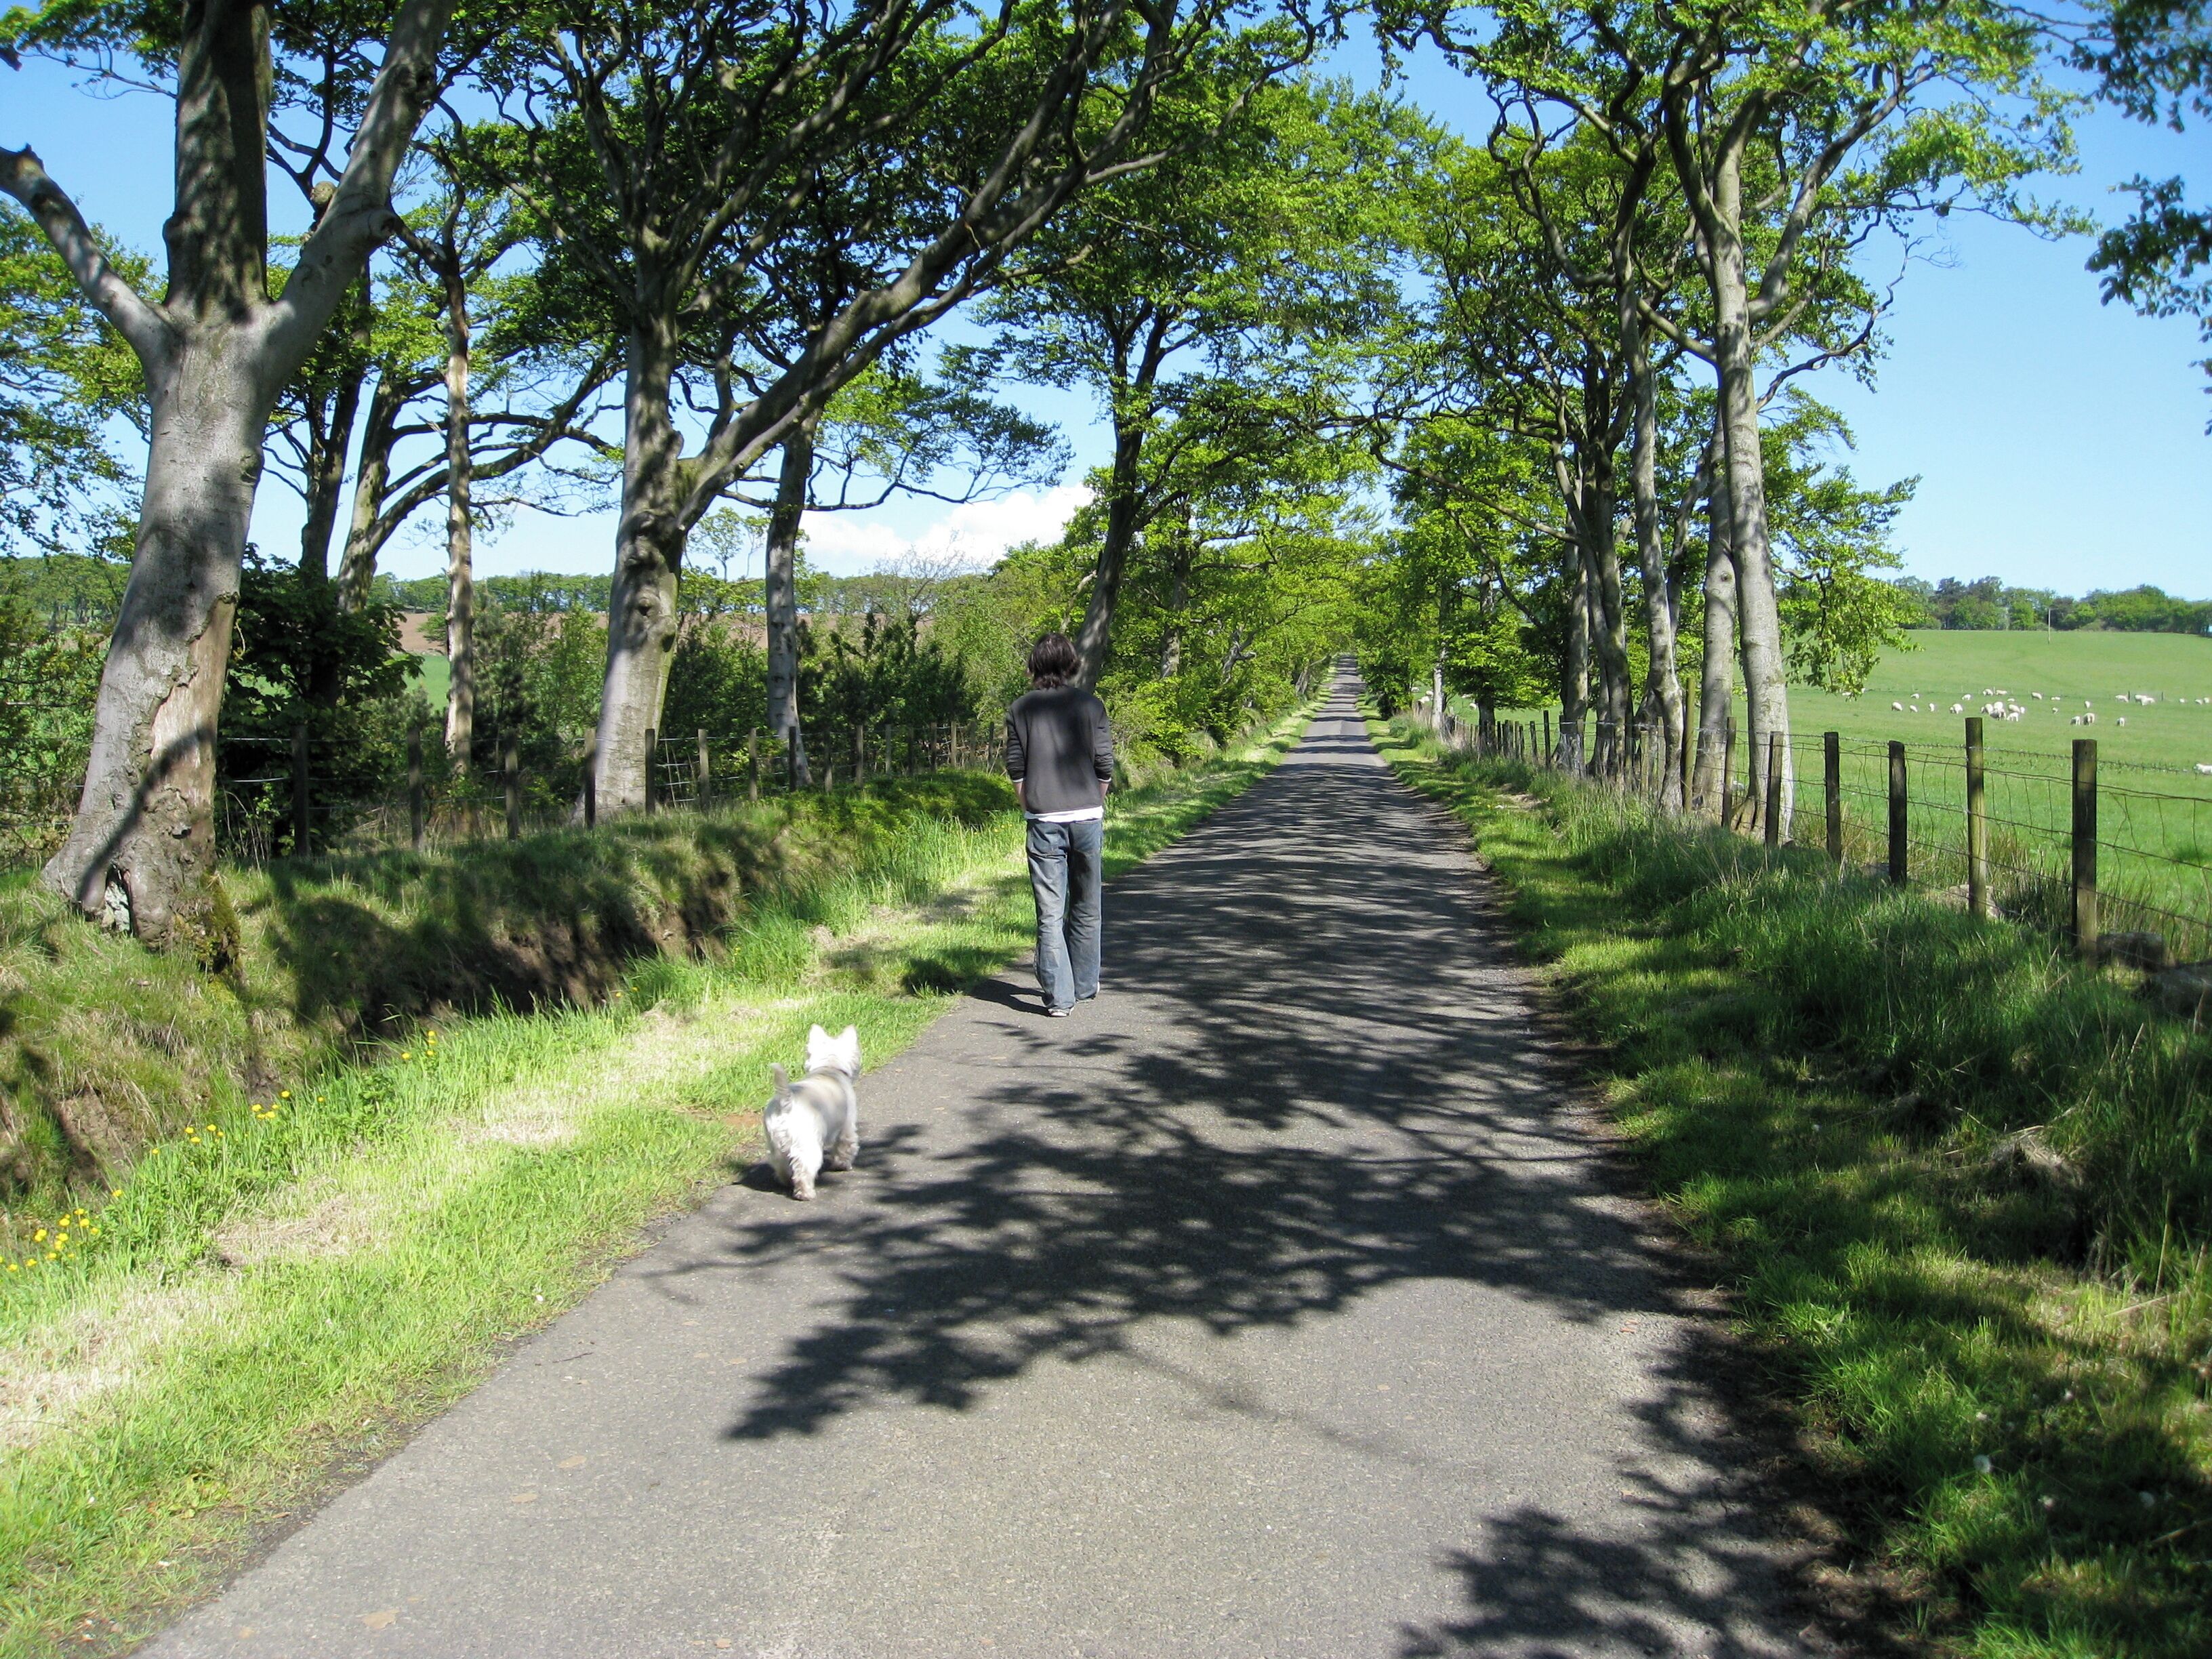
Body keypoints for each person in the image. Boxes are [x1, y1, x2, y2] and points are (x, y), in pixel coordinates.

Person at [1004, 632, 1113, 1017]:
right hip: (1087, 817)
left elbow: (1016, 768)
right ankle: (1084, 985)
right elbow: (1104, 765)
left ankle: (1060, 999)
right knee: (1087, 904)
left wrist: (1030, 804)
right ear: (1071, 664)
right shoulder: (1091, 705)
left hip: (1044, 820)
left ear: (1035, 665)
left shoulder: (1021, 708)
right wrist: (1095, 800)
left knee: (1050, 912)